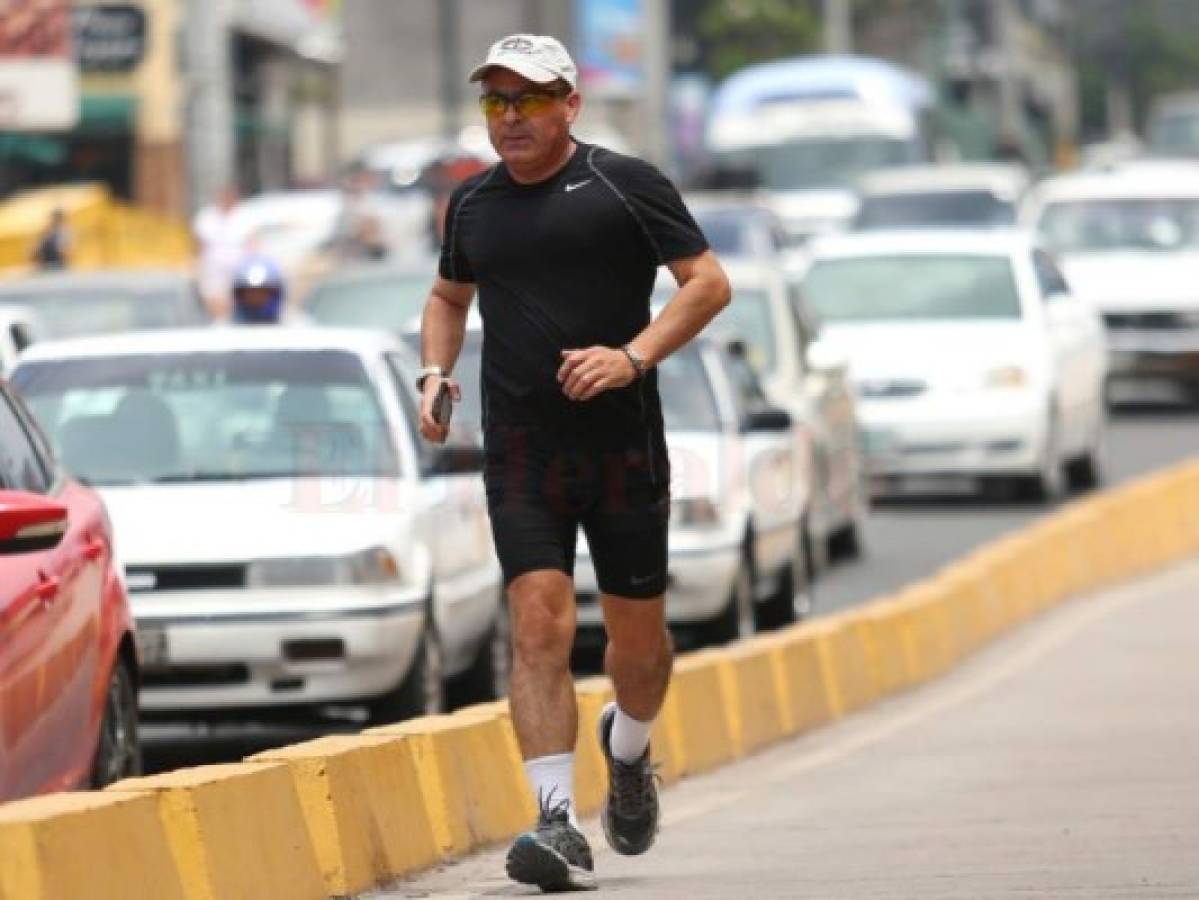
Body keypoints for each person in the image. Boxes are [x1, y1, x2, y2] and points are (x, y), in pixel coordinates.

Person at [416, 34, 730, 892]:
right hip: (520, 450)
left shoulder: (625, 186)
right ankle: (554, 822)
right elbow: (448, 297)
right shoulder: (472, 207)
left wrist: (631, 357)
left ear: (569, 104)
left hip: (622, 448)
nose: (510, 117)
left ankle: (626, 749)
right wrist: (435, 372)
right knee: (539, 620)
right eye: (496, 102)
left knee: (639, 644)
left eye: (528, 99)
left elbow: (705, 283)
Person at [194, 185, 247, 320]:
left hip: (238, 268)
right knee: (214, 296)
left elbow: (252, 242)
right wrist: (198, 266)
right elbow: (200, 244)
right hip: (214, 268)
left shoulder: (243, 216)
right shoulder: (207, 217)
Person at [230, 255, 287, 325]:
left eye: (261, 291)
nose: (255, 295)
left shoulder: (290, 330)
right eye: (251, 291)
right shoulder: (226, 330)